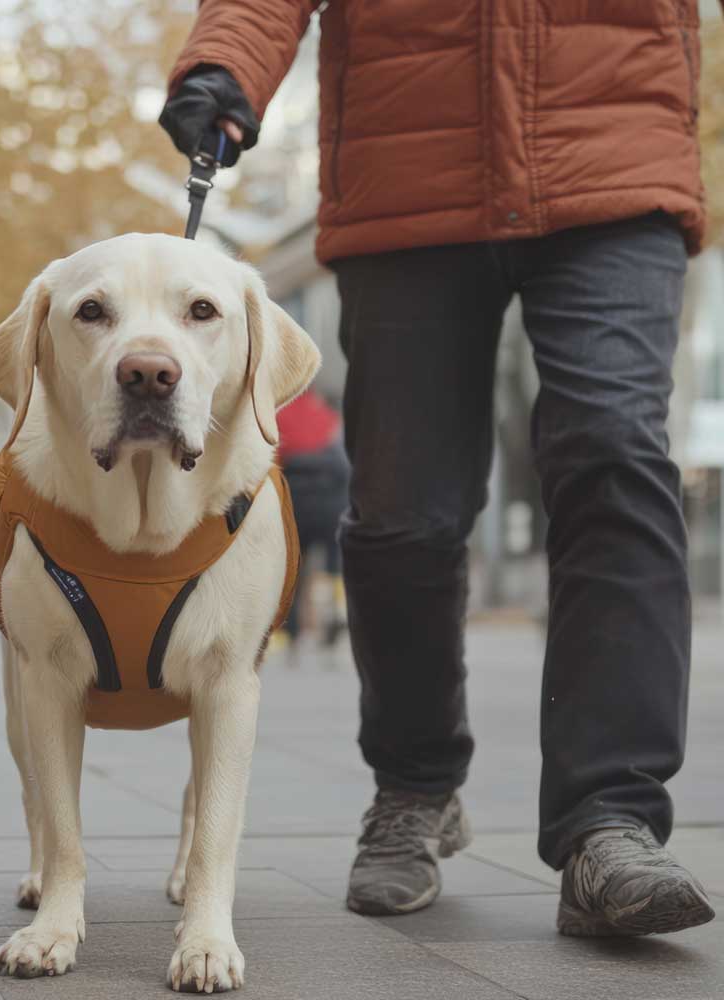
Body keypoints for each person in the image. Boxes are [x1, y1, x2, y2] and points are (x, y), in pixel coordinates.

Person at [160, 3, 718, 936]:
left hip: (612, 152)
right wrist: (225, 67)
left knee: (617, 458)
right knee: (401, 514)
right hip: (408, 175)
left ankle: (611, 822)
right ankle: (415, 788)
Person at [275, 388, 349, 653]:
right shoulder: (329, 417)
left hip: (296, 502)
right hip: (332, 505)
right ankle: (337, 611)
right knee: (335, 564)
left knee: (292, 569)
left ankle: (289, 631)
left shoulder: (279, 416)